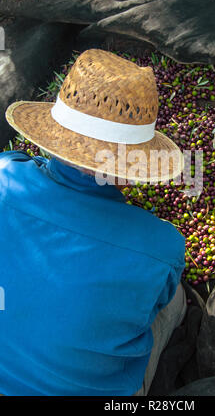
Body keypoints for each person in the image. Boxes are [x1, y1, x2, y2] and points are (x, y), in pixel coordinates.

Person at [0, 49, 187, 396]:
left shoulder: (4, 173)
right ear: (133, 170)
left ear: (52, 140)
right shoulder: (162, 247)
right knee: (176, 302)